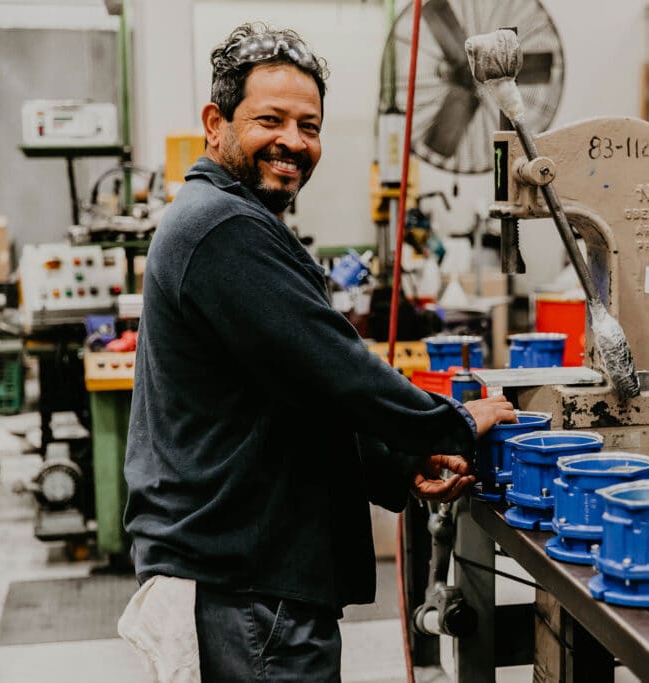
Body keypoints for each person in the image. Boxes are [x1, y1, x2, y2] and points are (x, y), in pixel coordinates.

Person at [118, 22, 515, 682]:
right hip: (247, 586)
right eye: (270, 120)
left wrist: (395, 466)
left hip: (252, 576)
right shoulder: (221, 226)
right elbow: (338, 369)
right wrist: (451, 423)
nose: (293, 142)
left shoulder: (232, 220)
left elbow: (297, 387)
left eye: (309, 125)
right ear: (215, 123)